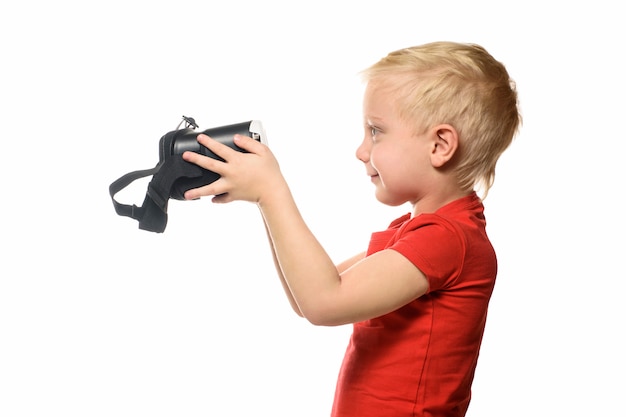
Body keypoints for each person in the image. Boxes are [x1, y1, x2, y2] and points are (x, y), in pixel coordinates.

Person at [182, 41, 521, 417]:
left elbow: (324, 302)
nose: (362, 150)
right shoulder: (416, 232)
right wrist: (263, 201)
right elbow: (305, 296)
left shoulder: (446, 239)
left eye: (376, 132)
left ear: (440, 146)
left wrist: (271, 193)